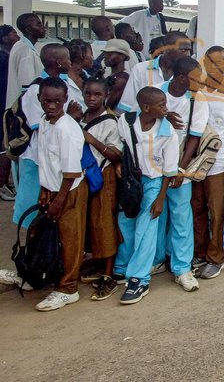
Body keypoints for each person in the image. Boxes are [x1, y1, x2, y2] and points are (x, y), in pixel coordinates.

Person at [115, 87, 177, 305]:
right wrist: (119, 164)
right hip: (131, 181)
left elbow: (169, 170)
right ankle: (122, 267)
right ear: (146, 107)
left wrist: (160, 198)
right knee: (125, 223)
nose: (166, 108)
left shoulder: (167, 131)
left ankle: (139, 279)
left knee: (146, 230)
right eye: (161, 105)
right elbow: (120, 145)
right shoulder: (126, 121)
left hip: (154, 183)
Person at [151, 56, 208, 292]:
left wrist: (180, 170)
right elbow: (139, 120)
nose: (201, 82)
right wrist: (162, 116)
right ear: (182, 78)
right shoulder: (156, 93)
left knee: (181, 215)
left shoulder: (197, 99)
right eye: (197, 78)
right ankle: (155, 260)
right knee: (154, 214)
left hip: (179, 162)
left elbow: (194, 137)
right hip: (153, 163)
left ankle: (182, 267)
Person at [31, 77, 88, 312]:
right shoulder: (45, 122)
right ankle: (40, 273)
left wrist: (59, 200)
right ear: (39, 99)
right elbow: (46, 161)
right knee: (45, 234)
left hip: (69, 190)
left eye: (57, 101)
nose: (52, 105)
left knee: (70, 239)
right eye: (47, 101)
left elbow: (70, 172)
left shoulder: (67, 129)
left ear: (65, 100)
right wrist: (45, 190)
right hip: (52, 189)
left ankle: (68, 288)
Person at [13, 44, 83, 228]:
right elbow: (44, 124)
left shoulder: (65, 85)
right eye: (67, 59)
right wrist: (71, 117)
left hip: (58, 158)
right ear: (59, 62)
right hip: (37, 157)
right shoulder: (36, 90)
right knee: (33, 205)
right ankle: (32, 235)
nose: (70, 62)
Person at [191, 47, 224, 279]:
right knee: (197, 206)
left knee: (216, 210)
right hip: (194, 157)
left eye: (220, 63)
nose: (215, 68)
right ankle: (200, 252)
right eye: (211, 63)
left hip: (218, 158)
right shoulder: (197, 89)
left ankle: (215, 257)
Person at [79, 77, 122, 301]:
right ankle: (96, 263)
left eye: (97, 94)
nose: (92, 98)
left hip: (104, 176)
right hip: (85, 176)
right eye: (88, 93)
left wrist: (92, 140)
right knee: (90, 223)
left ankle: (108, 274)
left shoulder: (110, 121)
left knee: (104, 223)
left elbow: (116, 154)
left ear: (106, 95)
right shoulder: (82, 117)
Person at [118, 31, 192, 113]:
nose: (188, 54)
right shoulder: (140, 70)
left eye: (189, 50)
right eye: (183, 50)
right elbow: (128, 106)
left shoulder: (189, 75)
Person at [6, 13, 46, 107]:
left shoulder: (21, 46)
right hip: (24, 108)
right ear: (28, 30)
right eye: (39, 24)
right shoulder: (26, 52)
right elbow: (28, 87)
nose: (43, 27)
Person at [0, 25, 20, 201]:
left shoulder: (9, 55)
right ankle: (2, 184)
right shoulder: (4, 57)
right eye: (13, 33)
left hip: (5, 104)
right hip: (4, 105)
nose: (16, 35)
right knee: (5, 145)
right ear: (5, 38)